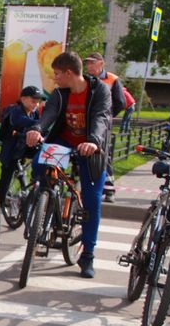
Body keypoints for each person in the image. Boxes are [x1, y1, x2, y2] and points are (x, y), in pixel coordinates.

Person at [25, 51, 112, 279]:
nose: (55, 79)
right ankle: (44, 202)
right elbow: (49, 115)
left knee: (92, 199)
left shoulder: (99, 90)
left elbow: (102, 118)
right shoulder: (59, 93)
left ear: (69, 73)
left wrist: (93, 142)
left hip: (91, 147)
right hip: (63, 142)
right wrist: (37, 129)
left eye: (57, 74)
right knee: (39, 163)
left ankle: (88, 255)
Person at [83, 52, 125, 203]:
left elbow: (120, 101)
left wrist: (108, 115)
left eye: (92, 63)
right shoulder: (85, 79)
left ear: (101, 63)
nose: (89, 66)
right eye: (87, 63)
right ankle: (90, 185)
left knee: (102, 154)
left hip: (103, 124)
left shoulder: (112, 79)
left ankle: (109, 189)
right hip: (86, 122)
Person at [0, 85, 42, 207]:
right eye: (33, 101)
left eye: (38, 102)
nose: (36, 105)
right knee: (5, 180)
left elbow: (40, 129)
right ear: (23, 99)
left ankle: (36, 182)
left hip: (25, 146)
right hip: (11, 149)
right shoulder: (16, 111)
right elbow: (21, 121)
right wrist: (41, 124)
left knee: (42, 156)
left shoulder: (34, 113)